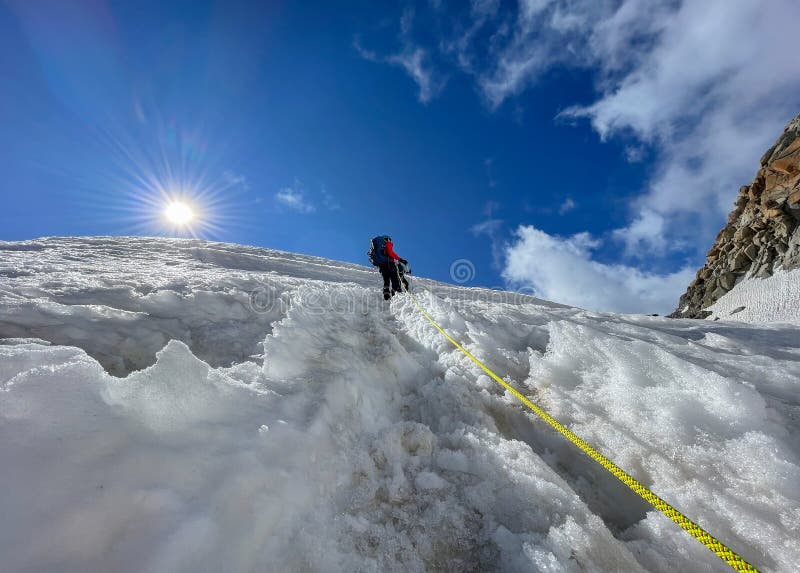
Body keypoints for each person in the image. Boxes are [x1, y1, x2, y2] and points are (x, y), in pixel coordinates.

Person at [368, 236, 409, 300]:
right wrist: (401, 259)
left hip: (381, 266)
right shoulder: (387, 244)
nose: (390, 241)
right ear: (387, 239)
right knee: (394, 276)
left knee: (386, 279)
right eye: (390, 239)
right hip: (389, 263)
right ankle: (396, 291)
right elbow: (391, 253)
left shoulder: (377, 248)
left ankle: (386, 293)